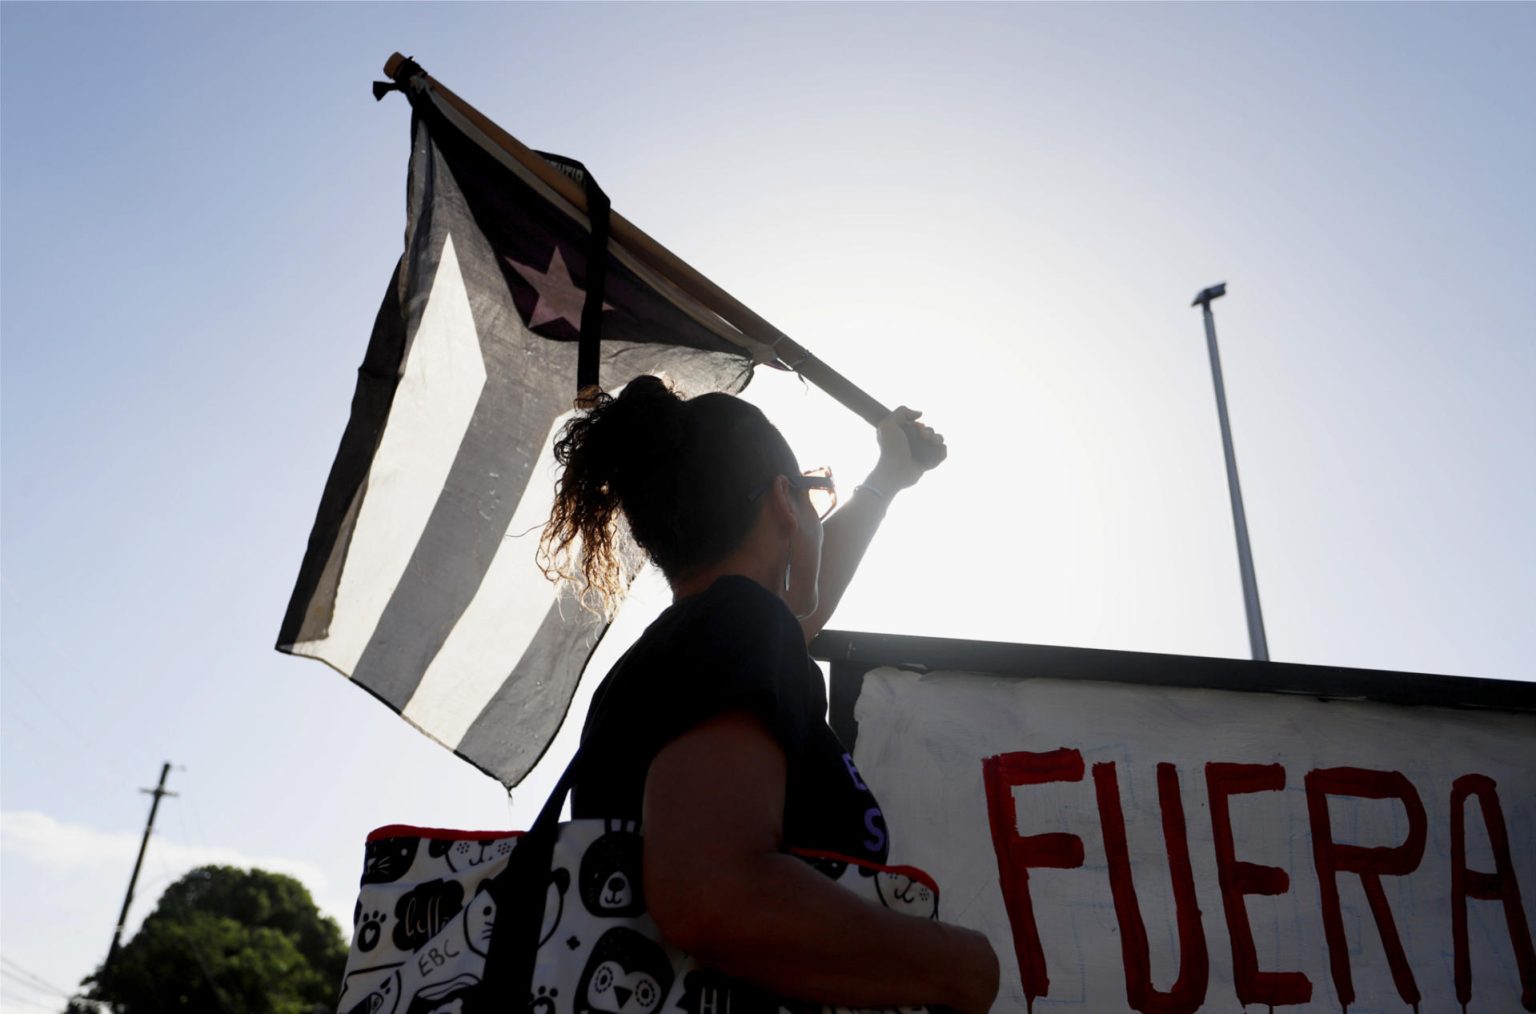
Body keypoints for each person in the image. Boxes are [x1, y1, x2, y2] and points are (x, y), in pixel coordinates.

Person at [539, 375, 1000, 1011]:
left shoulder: (689, 645)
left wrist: (888, 477)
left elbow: (793, 605)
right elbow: (711, 894)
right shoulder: (738, 628)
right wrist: (960, 965)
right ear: (786, 501)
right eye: (816, 495)